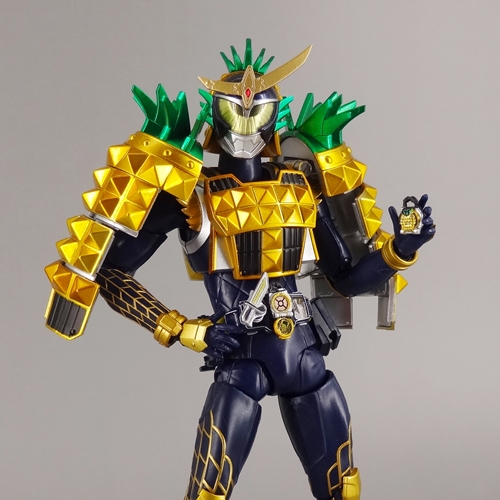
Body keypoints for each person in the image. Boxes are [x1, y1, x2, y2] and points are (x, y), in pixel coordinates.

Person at [44, 40, 435, 500]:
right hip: (242, 363)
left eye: (257, 109)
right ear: (215, 115)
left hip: (305, 356)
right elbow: (109, 272)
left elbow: (345, 278)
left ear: (275, 116)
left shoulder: (299, 189)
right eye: (235, 109)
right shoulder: (195, 196)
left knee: (343, 489)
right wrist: (184, 329)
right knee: (208, 494)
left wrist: (399, 250)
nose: (246, 121)